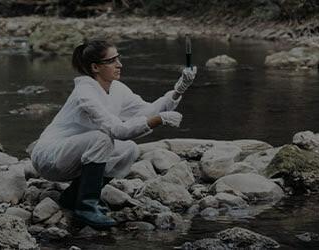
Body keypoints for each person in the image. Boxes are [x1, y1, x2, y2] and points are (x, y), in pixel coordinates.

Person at [28, 40, 196, 228]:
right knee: (103, 137)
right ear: (95, 67)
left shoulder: (117, 88)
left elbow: (147, 111)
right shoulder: (85, 93)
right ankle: (86, 207)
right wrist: (159, 120)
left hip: (76, 154)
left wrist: (178, 90)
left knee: (129, 149)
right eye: (112, 61)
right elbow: (118, 131)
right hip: (50, 157)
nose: (120, 64)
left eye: (119, 58)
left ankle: (72, 197)